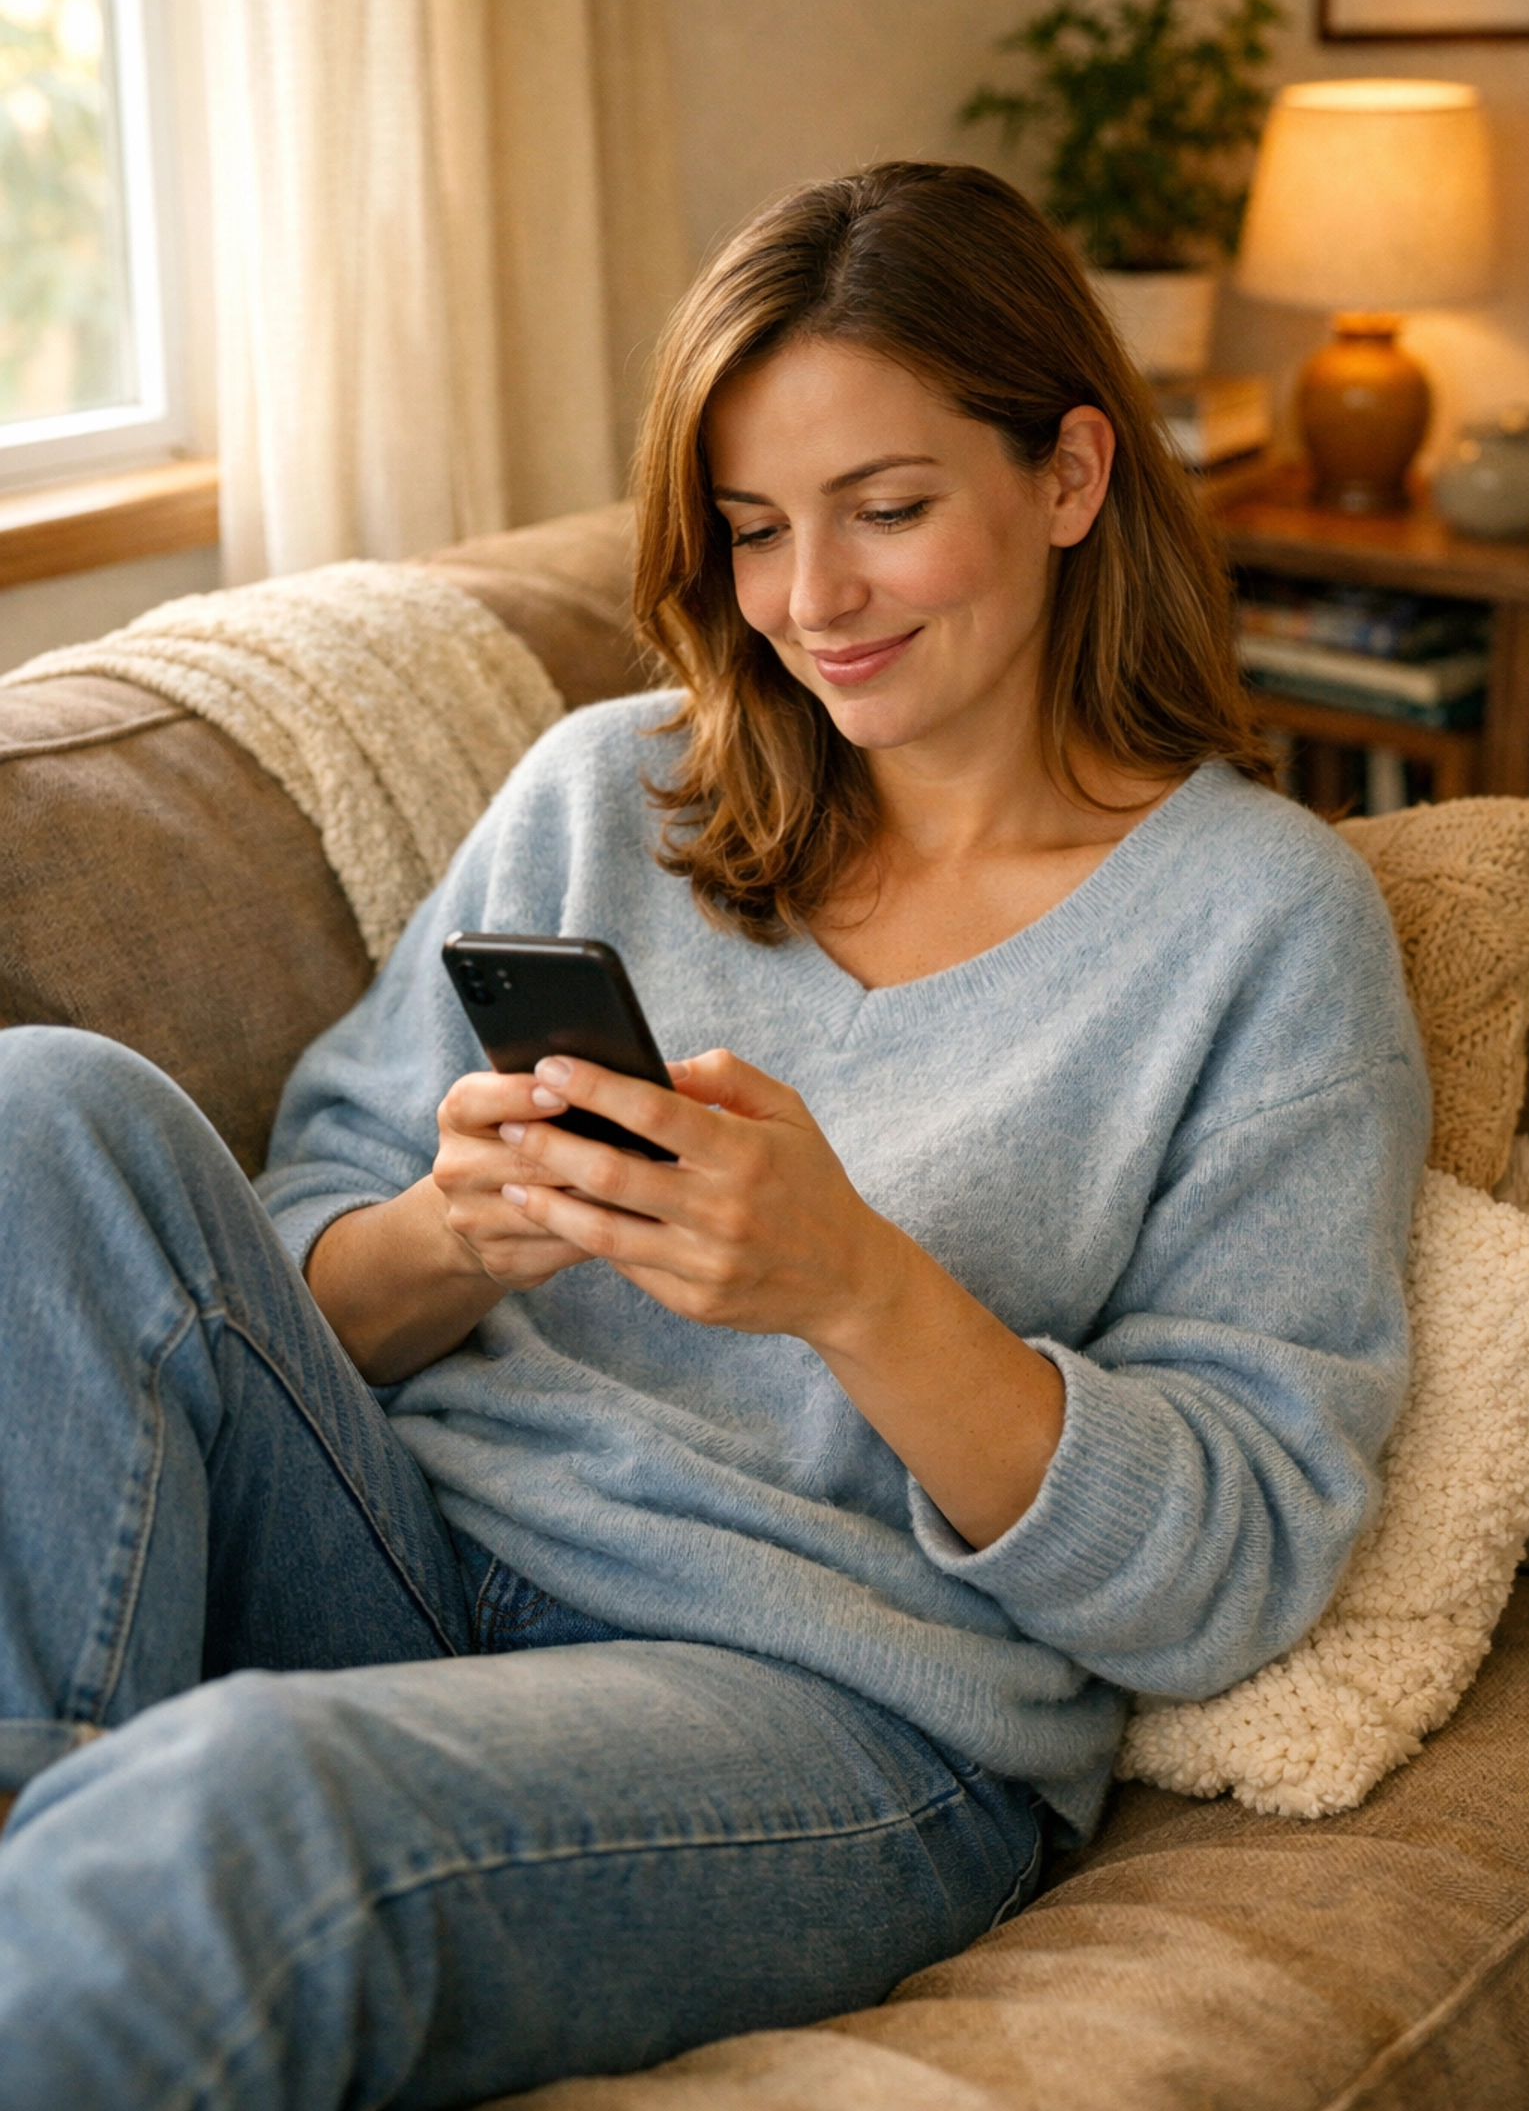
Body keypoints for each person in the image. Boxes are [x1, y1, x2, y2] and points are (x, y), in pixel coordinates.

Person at [0, 162, 1427, 2109]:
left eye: (887, 511)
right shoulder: (612, 794)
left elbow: (1232, 1572)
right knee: (46, 1109)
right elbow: (297, 1236)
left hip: (828, 1711)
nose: (811, 602)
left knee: (237, 1810)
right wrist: (455, 1231)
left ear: (1072, 475)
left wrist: (855, 1292)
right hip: (407, 1553)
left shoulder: (1262, 930)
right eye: (755, 530)